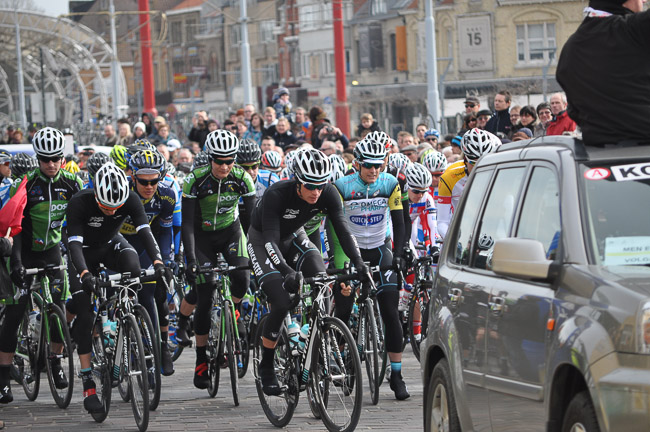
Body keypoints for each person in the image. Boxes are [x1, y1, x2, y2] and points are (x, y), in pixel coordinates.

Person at [246, 148, 368, 396]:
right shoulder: (276, 194)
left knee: (320, 277)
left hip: (293, 236)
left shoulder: (328, 192)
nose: (316, 192)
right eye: (310, 186)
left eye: (320, 186)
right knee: (281, 302)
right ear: (298, 181)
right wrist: (286, 271)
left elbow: (343, 230)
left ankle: (316, 341)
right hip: (262, 241)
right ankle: (267, 366)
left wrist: (359, 262)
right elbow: (270, 239)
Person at [65, 162, 165, 414]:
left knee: (133, 267)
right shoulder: (79, 202)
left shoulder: (130, 198)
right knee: (85, 314)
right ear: (95, 194)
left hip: (110, 245)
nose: (111, 212)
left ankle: (125, 316)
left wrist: (158, 261)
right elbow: (74, 245)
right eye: (105, 207)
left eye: (116, 208)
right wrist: (85, 274)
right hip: (83, 252)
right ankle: (88, 381)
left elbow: (145, 231)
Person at [0, 127, 83, 404]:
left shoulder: (72, 183)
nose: (50, 164)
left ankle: (55, 361)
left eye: (55, 158)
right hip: (24, 251)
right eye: (45, 159)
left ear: (62, 157)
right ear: (38, 159)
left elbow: (78, 223)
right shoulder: (25, 183)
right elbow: (17, 227)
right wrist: (18, 264)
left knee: (57, 308)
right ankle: (2, 381)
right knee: (14, 313)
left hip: (51, 252)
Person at [177, 130, 256, 389]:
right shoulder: (194, 181)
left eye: (229, 161)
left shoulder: (243, 179)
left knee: (242, 278)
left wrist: (256, 256)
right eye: (219, 161)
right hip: (201, 237)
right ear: (210, 158)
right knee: (206, 290)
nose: (224, 166)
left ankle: (234, 311)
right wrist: (190, 260)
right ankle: (201, 360)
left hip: (230, 231)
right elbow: (187, 225)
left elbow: (251, 224)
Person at [332, 138, 409, 400]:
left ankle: (397, 374)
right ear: (357, 164)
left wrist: (398, 255)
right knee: (342, 306)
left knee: (390, 311)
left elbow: (400, 223)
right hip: (351, 252)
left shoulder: (390, 183)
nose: (374, 171)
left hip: (379, 249)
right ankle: (343, 357)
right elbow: (333, 226)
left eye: (379, 165)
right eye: (368, 166)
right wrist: (339, 261)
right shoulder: (342, 187)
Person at [556, 0, 650, 146]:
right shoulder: (633, 29)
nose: (644, 1)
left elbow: (575, 109)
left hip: (599, 151)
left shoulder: (570, 48)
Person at [120, 150, 177, 375]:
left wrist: (163, 260)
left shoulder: (167, 196)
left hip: (146, 244)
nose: (149, 186)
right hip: (119, 241)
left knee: (150, 294)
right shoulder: (122, 191)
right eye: (143, 181)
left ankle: (157, 348)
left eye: (154, 180)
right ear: (133, 177)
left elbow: (165, 232)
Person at [437, 128, 499, 239]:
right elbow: (442, 222)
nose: (479, 166)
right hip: (460, 232)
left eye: (485, 161)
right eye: (473, 162)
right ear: (465, 158)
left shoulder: (497, 173)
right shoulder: (449, 177)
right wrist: (453, 242)